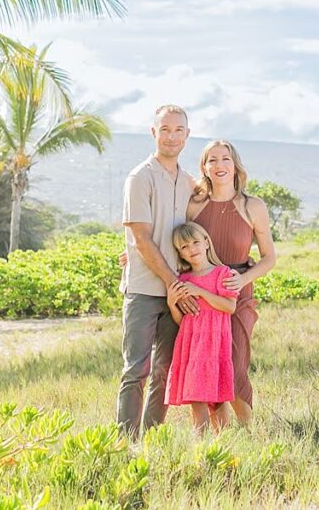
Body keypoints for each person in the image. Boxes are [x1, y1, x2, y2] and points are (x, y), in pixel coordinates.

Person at [116, 105, 241, 439]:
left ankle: (152, 441)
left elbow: (216, 208)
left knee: (163, 371)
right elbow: (140, 236)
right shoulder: (139, 177)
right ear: (153, 132)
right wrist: (172, 282)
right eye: (165, 129)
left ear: (187, 135)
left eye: (178, 130)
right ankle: (126, 444)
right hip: (147, 289)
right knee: (136, 370)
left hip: (180, 293)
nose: (171, 136)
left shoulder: (188, 183)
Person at [188, 139, 276, 427]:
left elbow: (268, 258)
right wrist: (133, 252)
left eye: (225, 159)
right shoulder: (193, 205)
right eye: (211, 160)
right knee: (210, 369)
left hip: (239, 295)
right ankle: (221, 440)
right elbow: (171, 238)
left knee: (235, 368)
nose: (219, 165)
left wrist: (244, 279)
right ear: (204, 167)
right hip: (204, 296)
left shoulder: (253, 206)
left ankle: (250, 433)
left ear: (235, 165)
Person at [164, 222, 238, 434]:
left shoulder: (222, 273)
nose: (191, 249)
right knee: (196, 397)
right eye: (184, 247)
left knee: (217, 400)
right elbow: (183, 320)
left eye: (195, 242)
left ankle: (224, 442)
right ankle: (200, 447)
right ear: (180, 253)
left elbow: (229, 307)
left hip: (215, 346)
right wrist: (172, 303)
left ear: (206, 242)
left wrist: (200, 291)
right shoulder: (183, 279)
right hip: (192, 345)